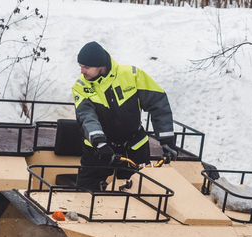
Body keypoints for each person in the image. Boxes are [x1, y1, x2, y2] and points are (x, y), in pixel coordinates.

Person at [72, 41, 177, 191]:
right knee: (84, 194)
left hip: (135, 147)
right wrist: (100, 143)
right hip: (98, 150)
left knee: (141, 195)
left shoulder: (132, 75)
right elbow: (87, 117)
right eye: (81, 66)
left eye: (86, 67)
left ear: (101, 65)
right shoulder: (80, 87)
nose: (82, 71)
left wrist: (167, 141)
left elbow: (158, 103)